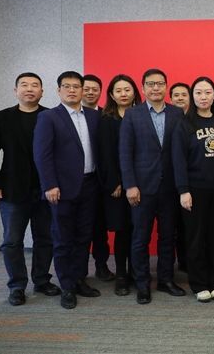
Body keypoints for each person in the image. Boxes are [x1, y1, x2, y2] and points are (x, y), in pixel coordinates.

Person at [0, 72, 60, 306]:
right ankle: (17, 285)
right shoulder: (1, 117)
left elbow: (58, 154)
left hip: (45, 189)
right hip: (12, 189)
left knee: (45, 238)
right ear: (15, 90)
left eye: (35, 85)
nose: (30, 89)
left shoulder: (51, 116)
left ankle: (41, 280)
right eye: (24, 85)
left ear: (42, 91)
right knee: (11, 240)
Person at [33, 71, 102, 309]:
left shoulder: (94, 116)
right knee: (63, 239)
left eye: (76, 86)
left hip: (90, 184)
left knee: (84, 237)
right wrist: (49, 185)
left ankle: (80, 279)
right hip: (61, 188)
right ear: (58, 90)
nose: (72, 90)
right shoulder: (49, 117)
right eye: (67, 86)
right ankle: (67, 286)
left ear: (83, 90)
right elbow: (42, 155)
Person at [119, 68, 186, 305]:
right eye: (150, 84)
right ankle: (142, 283)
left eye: (159, 84)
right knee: (140, 238)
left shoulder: (177, 113)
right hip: (142, 188)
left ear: (166, 86)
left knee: (168, 236)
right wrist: (130, 185)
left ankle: (166, 280)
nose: (155, 88)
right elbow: (125, 153)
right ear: (143, 87)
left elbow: (181, 151)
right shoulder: (132, 115)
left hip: (170, 187)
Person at [173, 77, 214, 303]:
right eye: (199, 93)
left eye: (208, 92)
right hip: (194, 189)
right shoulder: (184, 123)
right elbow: (178, 160)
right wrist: (183, 190)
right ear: (193, 96)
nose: (203, 97)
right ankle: (199, 284)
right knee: (196, 237)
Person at [97, 74, 141, 296]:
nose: (123, 94)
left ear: (134, 92)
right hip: (118, 186)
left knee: (138, 230)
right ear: (112, 95)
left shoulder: (142, 116)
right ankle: (122, 275)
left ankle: (136, 271)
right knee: (123, 230)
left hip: (141, 183)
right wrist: (115, 182)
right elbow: (106, 155)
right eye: (118, 90)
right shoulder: (107, 120)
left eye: (127, 89)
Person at [82, 74, 115, 282]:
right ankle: (79, 271)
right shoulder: (71, 116)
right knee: (82, 228)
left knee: (100, 227)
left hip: (103, 180)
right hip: (80, 181)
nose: (90, 92)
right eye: (86, 88)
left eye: (95, 89)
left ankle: (101, 266)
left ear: (101, 92)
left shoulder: (107, 115)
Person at [169, 81, 191, 273]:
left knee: (187, 225)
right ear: (170, 98)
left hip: (191, 180)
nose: (180, 98)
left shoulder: (195, 119)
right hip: (168, 180)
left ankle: (186, 260)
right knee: (172, 224)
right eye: (176, 95)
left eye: (184, 95)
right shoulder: (168, 118)